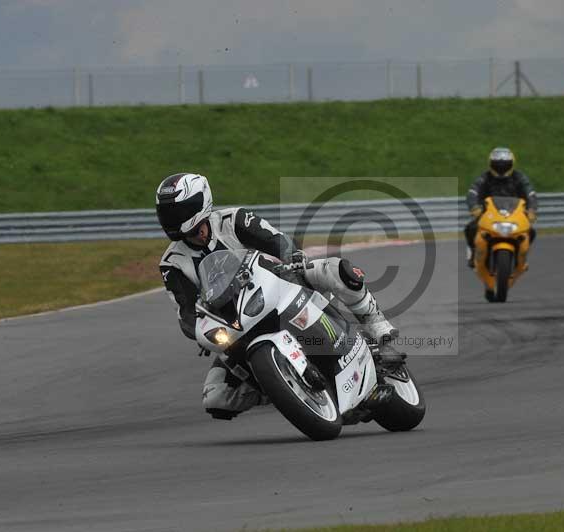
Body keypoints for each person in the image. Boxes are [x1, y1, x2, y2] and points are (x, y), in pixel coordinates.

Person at [156, 173, 401, 420]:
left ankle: (379, 330)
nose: (173, 220)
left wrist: (291, 255)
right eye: (167, 214)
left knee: (338, 270)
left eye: (179, 211)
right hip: (237, 324)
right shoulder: (172, 264)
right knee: (216, 397)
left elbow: (275, 240)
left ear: (201, 202)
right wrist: (199, 332)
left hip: (282, 284)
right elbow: (185, 310)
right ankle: (284, 386)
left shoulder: (233, 219)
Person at [464, 147, 537, 268]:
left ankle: (522, 256)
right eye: (497, 165)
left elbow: (530, 193)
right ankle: (472, 253)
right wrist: (474, 207)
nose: (501, 168)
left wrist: (531, 209)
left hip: (514, 214)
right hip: (488, 213)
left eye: (504, 165)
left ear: (511, 164)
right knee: (470, 228)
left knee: (531, 232)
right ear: (491, 164)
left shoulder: (519, 178)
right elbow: (472, 192)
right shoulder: (485, 177)